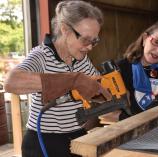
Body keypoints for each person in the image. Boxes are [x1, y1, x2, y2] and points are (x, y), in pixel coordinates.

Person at [4, 1, 112, 157]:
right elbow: (11, 82)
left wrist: (106, 91)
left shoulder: (82, 59)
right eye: (85, 40)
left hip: (76, 136)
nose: (89, 47)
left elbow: (96, 89)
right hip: (42, 141)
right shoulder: (41, 56)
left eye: (94, 41)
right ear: (65, 29)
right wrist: (72, 80)